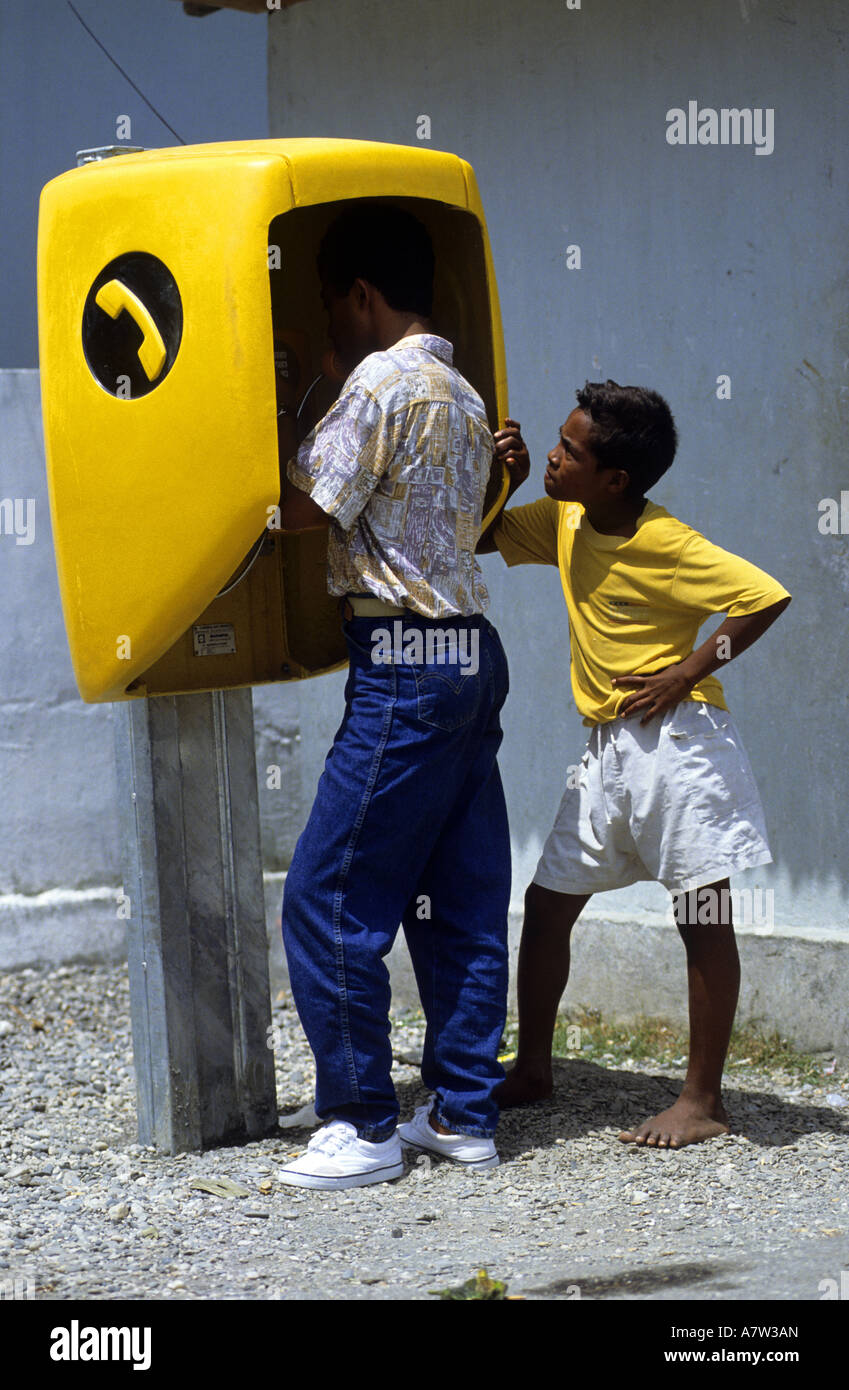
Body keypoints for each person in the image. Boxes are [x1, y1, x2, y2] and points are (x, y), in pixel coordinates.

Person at [276, 203, 519, 1189]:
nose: (335, 320)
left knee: (328, 894)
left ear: (363, 298)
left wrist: (313, 397)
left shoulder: (377, 382)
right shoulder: (462, 393)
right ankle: (461, 1111)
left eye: (336, 304)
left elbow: (302, 510)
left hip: (406, 661)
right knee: (457, 895)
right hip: (471, 652)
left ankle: (362, 1121)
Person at [478, 380, 791, 1149]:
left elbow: (764, 597)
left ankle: (701, 1103)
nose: (551, 454)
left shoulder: (668, 541)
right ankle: (534, 1070)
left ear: (615, 479)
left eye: (568, 451)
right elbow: (474, 539)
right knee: (548, 906)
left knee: (702, 917)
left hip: (681, 743)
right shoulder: (562, 517)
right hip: (605, 750)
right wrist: (504, 481)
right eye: (556, 439)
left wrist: (686, 671)